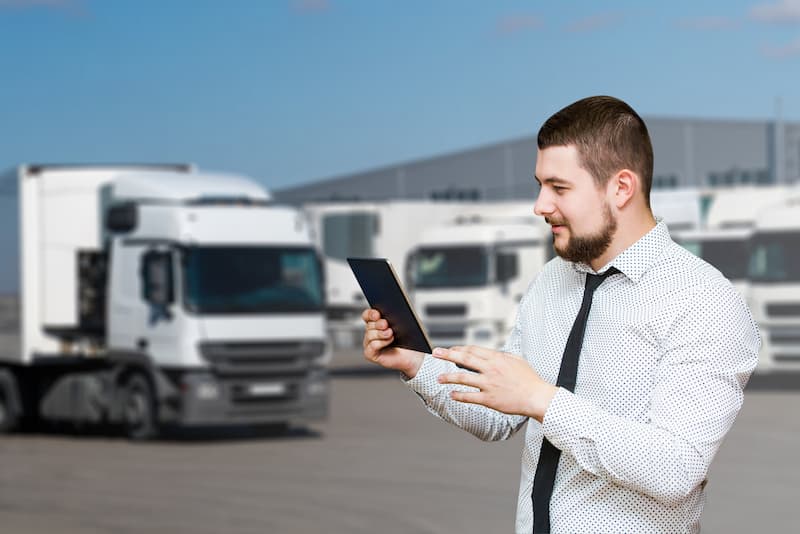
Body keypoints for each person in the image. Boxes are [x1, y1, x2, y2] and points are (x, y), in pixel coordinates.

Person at [361, 95, 760, 534]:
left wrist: (542, 400)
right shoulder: (551, 281)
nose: (540, 205)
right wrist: (415, 363)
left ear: (621, 188)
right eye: (540, 185)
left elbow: (675, 469)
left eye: (559, 188)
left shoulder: (703, 300)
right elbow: (500, 416)